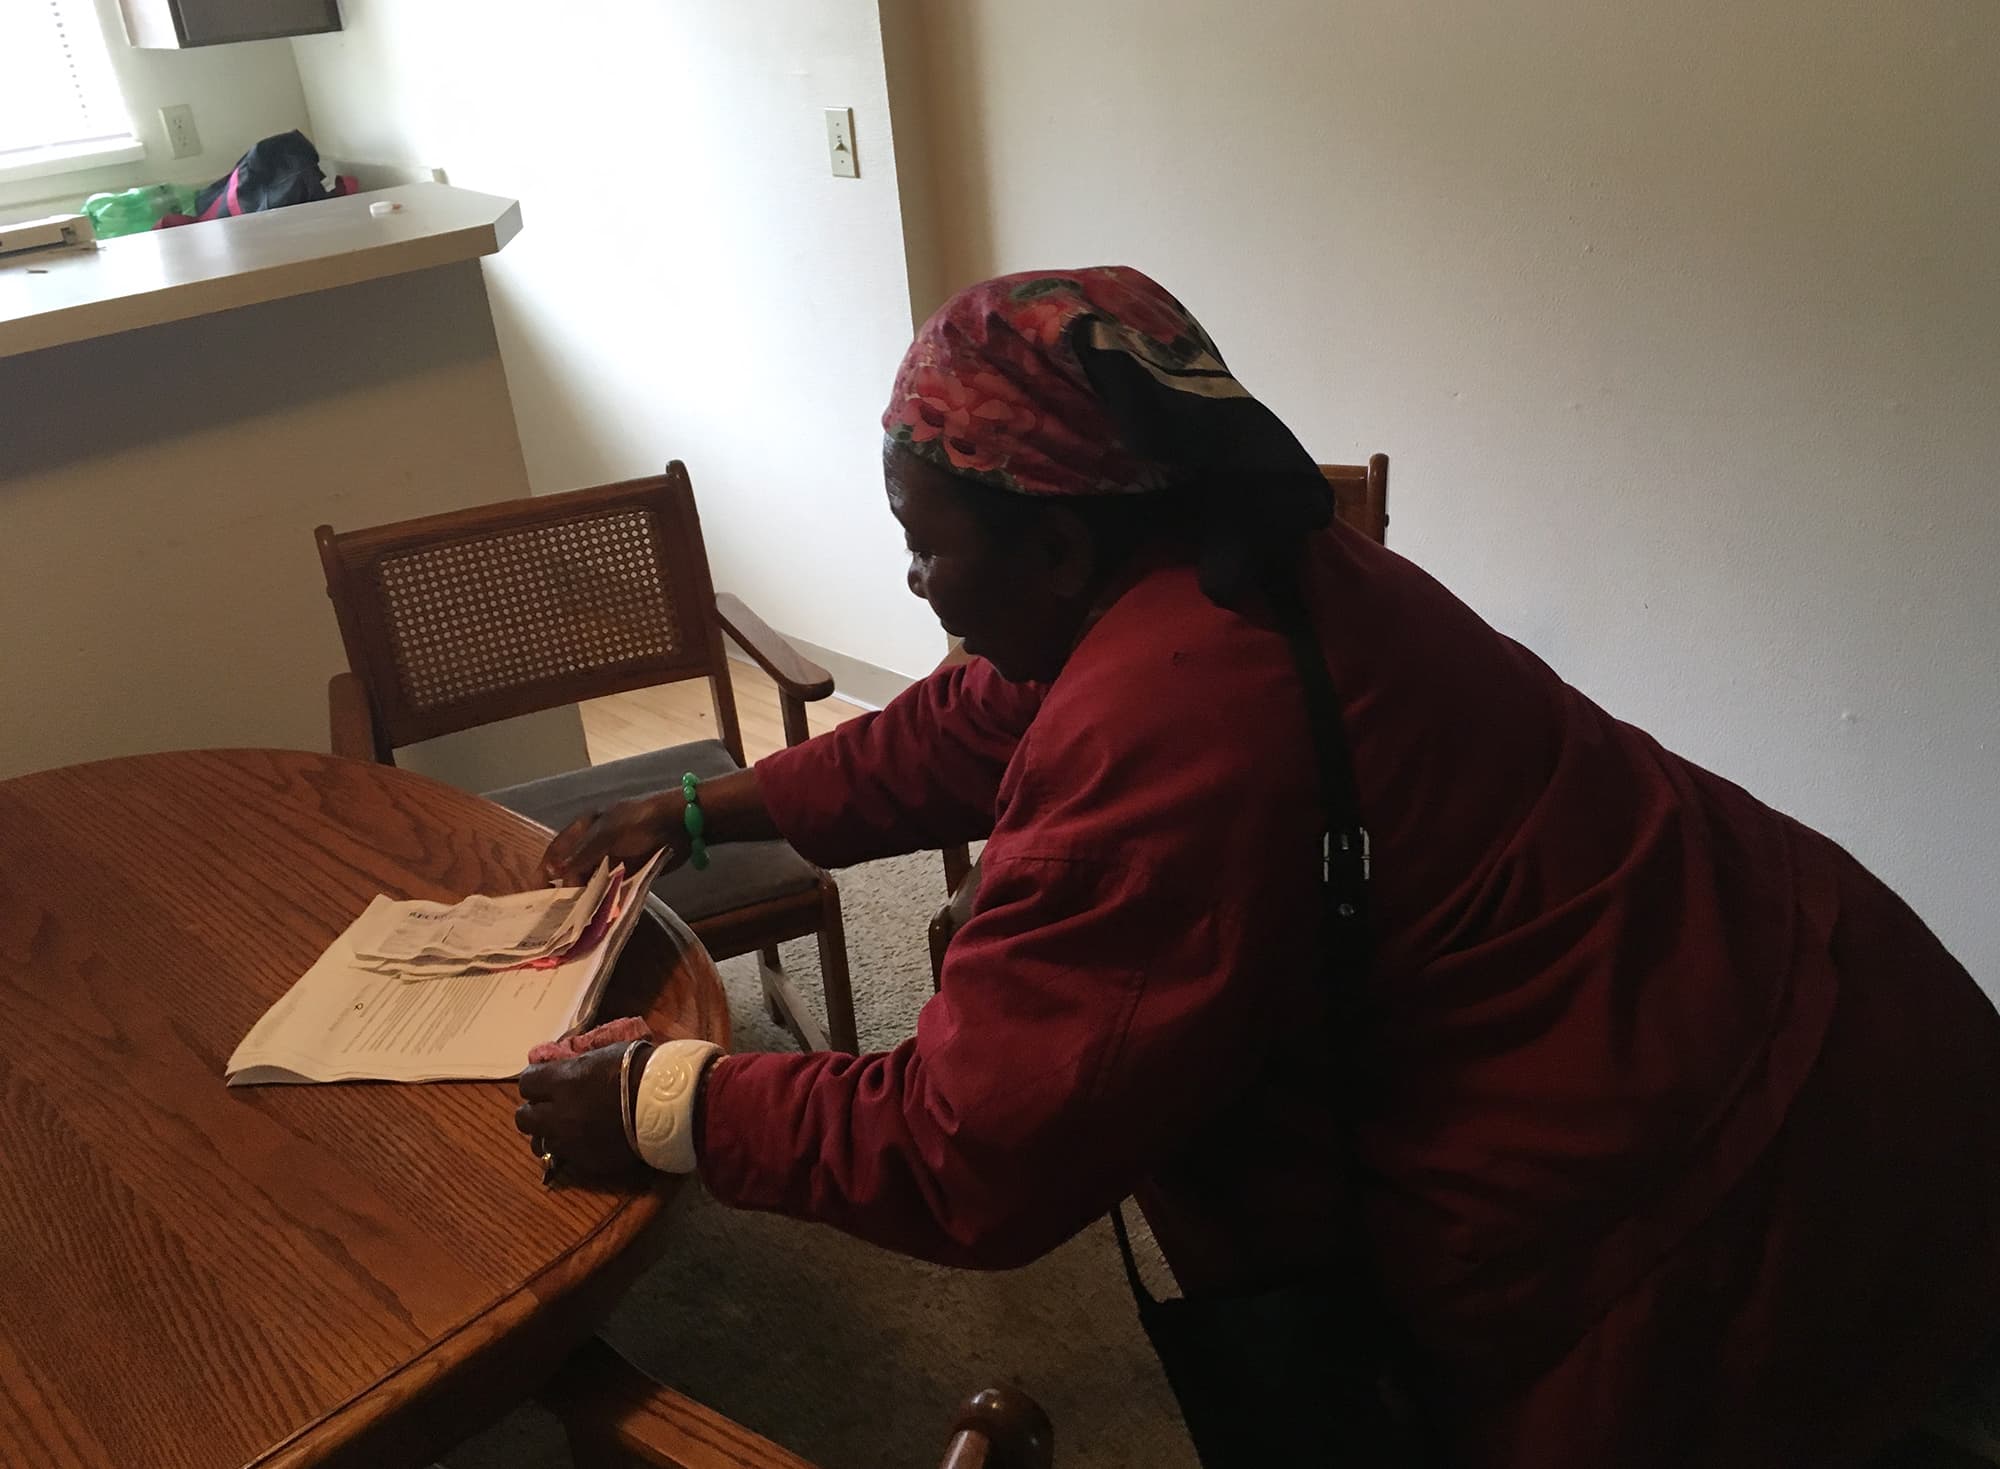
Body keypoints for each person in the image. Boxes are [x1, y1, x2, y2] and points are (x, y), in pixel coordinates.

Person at [514, 267, 2000, 1467]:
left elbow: (973, 1148)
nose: (912, 581)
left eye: (926, 542)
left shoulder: (1171, 727)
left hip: (1753, 1164)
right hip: (1832, 984)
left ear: (1058, 554)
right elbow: (974, 717)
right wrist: (718, 806)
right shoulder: (1221, 549)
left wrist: (665, 1097)